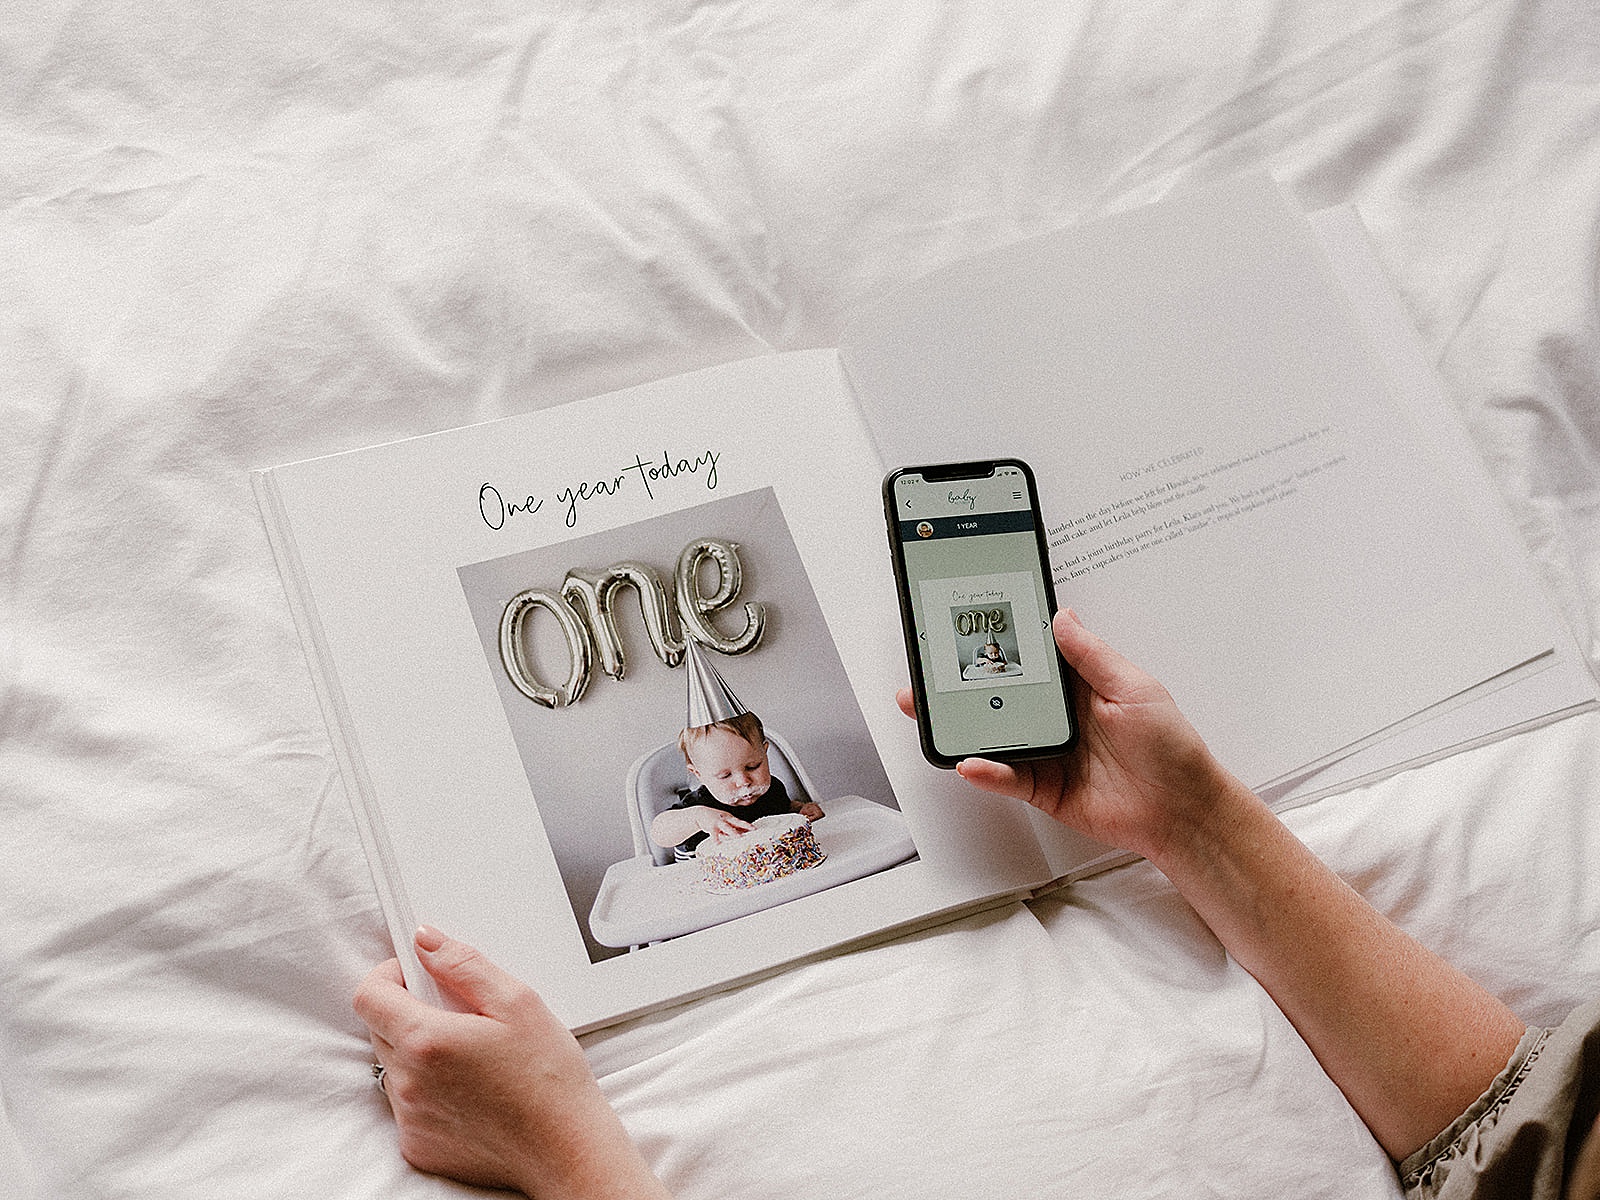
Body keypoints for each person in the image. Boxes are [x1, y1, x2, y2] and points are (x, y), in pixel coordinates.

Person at [354, 610, 1599, 1199]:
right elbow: (1527, 1138)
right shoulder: (683, 802)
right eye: (717, 772)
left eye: (744, 767)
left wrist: (565, 1155)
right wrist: (1191, 816)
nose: (735, 780)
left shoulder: (773, 788)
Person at [647, 710, 824, 861]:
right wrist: (698, 819)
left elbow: (782, 809)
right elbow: (659, 832)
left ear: (765, 752)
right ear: (698, 774)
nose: (743, 782)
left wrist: (800, 809)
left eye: (753, 766)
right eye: (725, 775)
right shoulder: (699, 806)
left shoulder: (773, 790)